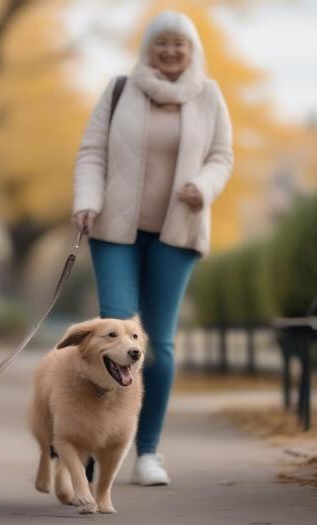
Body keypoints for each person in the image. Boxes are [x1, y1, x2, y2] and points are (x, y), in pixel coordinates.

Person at [72, 11, 233, 485]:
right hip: (114, 231)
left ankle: (147, 452)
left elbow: (222, 155)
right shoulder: (121, 89)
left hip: (176, 233)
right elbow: (92, 151)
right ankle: (90, 443)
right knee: (114, 336)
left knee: (156, 343)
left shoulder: (209, 95)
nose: (169, 51)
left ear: (192, 50)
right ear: (148, 47)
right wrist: (86, 200)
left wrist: (203, 186)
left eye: (178, 44)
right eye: (161, 42)